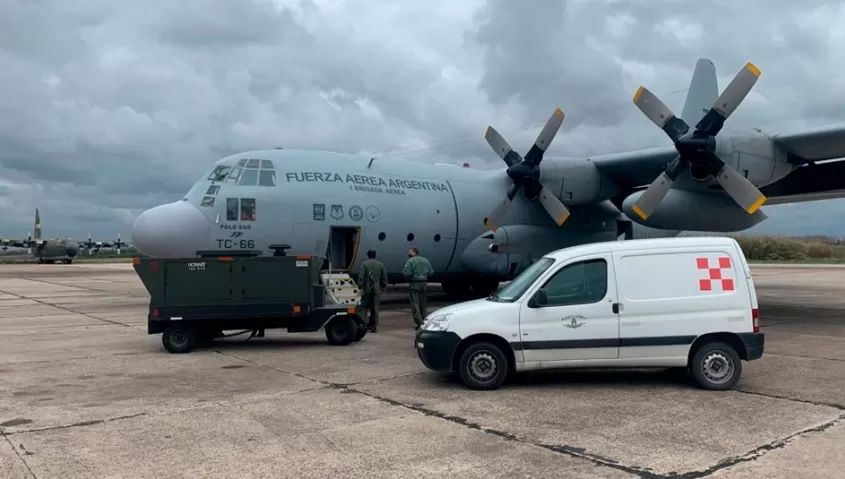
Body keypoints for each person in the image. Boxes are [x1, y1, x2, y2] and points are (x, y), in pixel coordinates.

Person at [402, 247, 433, 329]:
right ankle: (424, 319)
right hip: (424, 283)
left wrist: (409, 279)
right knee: (423, 303)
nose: (408, 254)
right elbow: (431, 272)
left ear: (413, 252)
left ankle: (420, 322)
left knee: (415, 303)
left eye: (409, 252)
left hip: (414, 284)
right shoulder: (425, 260)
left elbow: (406, 273)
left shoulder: (410, 261)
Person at [357, 249, 387, 332]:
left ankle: (363, 324)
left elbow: (361, 277)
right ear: (375, 255)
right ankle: (374, 326)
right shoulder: (380, 264)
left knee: (363, 307)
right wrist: (383, 287)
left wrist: (360, 288)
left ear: (368, 255)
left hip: (367, 289)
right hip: (376, 289)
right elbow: (384, 278)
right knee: (375, 308)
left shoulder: (364, 264)